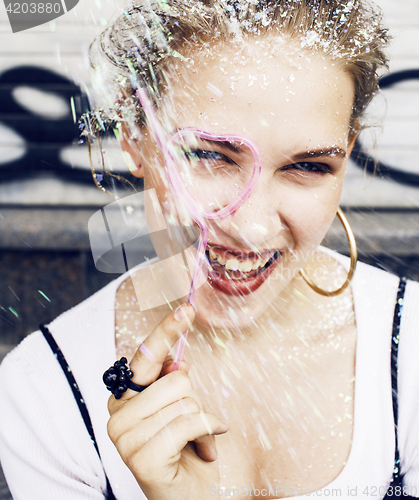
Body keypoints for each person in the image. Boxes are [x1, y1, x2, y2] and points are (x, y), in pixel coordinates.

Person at [1, 1, 419, 499]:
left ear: (346, 154)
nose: (252, 227)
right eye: (208, 155)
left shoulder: (412, 349)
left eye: (307, 167)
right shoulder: (42, 392)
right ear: (135, 136)